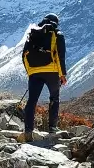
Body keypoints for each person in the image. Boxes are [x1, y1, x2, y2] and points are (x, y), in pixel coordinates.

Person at [21, 13, 67, 141]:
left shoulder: (33, 34)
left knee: (32, 101)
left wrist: (30, 71)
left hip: (34, 73)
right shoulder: (57, 35)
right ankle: (52, 128)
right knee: (54, 98)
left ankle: (28, 130)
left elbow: (24, 55)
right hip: (52, 71)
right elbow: (60, 56)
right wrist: (62, 74)